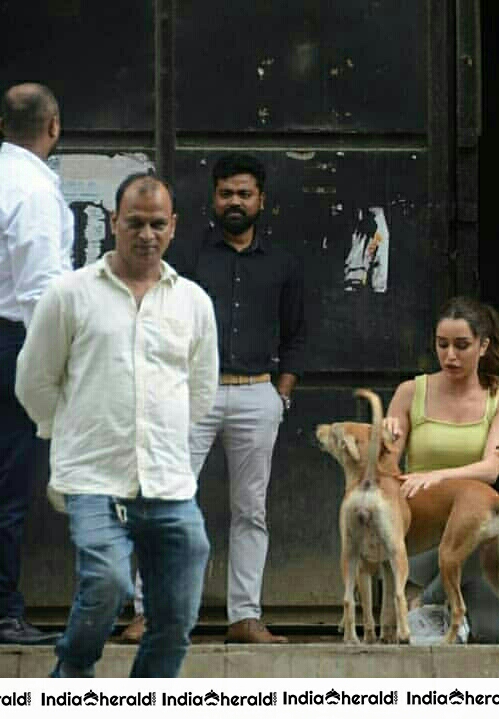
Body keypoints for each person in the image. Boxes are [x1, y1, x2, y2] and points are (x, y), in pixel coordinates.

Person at [15, 173, 218, 677]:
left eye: (156, 224)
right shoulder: (69, 294)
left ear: (173, 227)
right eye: (134, 223)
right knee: (106, 583)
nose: (146, 235)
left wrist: (162, 437)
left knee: (175, 617)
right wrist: (65, 433)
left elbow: (201, 388)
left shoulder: (193, 301)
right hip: (94, 479)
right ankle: (71, 676)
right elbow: (34, 380)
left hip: (170, 484)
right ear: (113, 223)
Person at [125, 153, 303, 644]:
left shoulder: (282, 264)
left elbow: (297, 334)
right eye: (226, 193)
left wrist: (280, 396)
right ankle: (149, 612)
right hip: (191, 397)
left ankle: (245, 617)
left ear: (260, 200)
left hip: (256, 396)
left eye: (244, 193)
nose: (235, 202)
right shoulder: (185, 261)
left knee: (251, 510)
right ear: (213, 198)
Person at [383, 296, 499, 642]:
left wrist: (440, 475)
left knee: (494, 633)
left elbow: (493, 469)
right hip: (422, 532)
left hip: (472, 531)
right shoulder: (411, 392)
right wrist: (384, 442)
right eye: (443, 345)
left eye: (462, 345)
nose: (450, 355)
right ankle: (431, 602)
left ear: (483, 346)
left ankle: (429, 601)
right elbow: (388, 468)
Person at [0, 83, 72, 645]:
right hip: (13, 346)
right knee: (10, 485)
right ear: (53, 126)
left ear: (4, 126)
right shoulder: (34, 192)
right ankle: (3, 612)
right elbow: (43, 291)